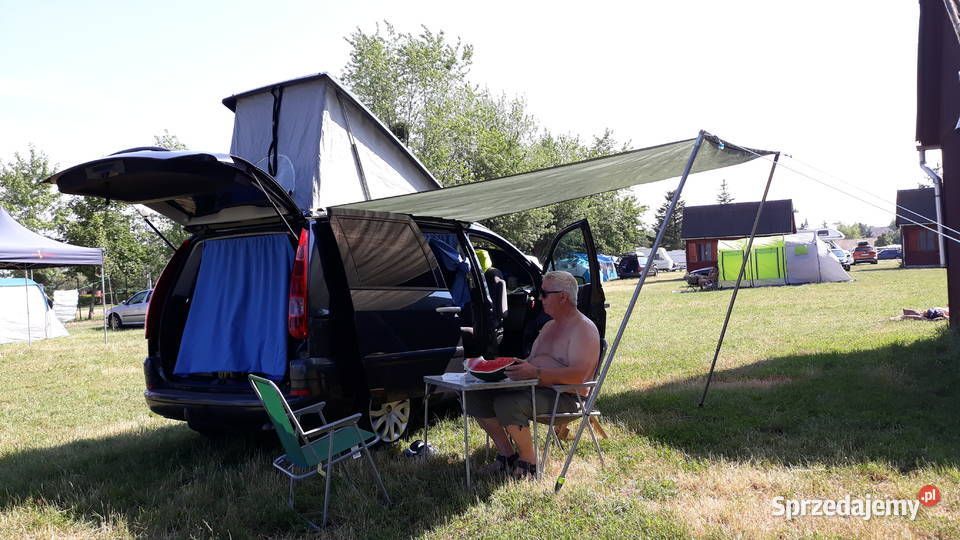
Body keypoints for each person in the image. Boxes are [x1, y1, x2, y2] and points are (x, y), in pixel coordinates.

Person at [464, 270, 601, 479]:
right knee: (475, 396)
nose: (539, 298)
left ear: (563, 297)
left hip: (567, 397)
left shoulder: (583, 329)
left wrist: (535, 372)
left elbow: (578, 376)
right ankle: (507, 456)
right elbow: (532, 361)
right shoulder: (548, 326)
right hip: (537, 388)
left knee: (507, 403)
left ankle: (529, 462)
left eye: (544, 294)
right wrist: (515, 366)